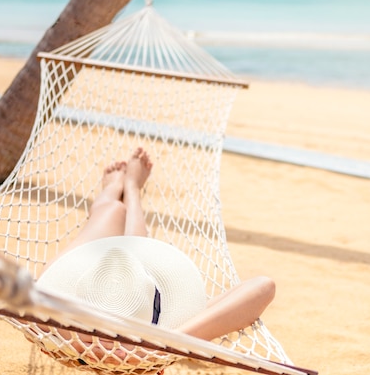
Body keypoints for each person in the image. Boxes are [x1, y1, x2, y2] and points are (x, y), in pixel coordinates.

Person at [34, 147, 275, 368]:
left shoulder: (52, 329)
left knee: (113, 215)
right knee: (117, 219)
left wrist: (147, 347)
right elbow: (263, 287)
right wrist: (164, 344)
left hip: (77, 304)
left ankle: (118, 192)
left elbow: (263, 287)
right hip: (123, 321)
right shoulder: (161, 339)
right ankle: (129, 190)